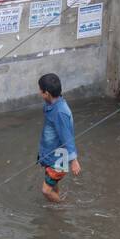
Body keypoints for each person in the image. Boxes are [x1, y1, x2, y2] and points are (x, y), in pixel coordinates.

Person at [36, 73, 80, 203]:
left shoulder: (60, 112)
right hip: (50, 154)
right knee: (53, 185)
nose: (39, 93)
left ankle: (61, 206)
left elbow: (67, 137)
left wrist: (74, 160)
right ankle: (56, 203)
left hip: (58, 158)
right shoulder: (51, 104)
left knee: (46, 191)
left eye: (40, 90)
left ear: (47, 93)